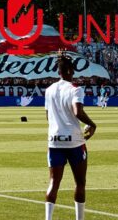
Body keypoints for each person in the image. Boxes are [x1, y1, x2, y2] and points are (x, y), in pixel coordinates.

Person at [44, 55, 97, 220]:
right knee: (80, 183)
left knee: (54, 183)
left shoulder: (49, 89)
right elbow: (77, 112)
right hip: (74, 141)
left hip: (54, 140)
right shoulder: (75, 89)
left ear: (58, 71)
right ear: (70, 71)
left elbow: (47, 116)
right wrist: (92, 124)